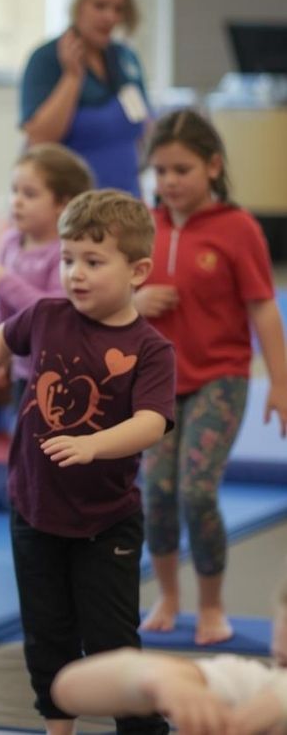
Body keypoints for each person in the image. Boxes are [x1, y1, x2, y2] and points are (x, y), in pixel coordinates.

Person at [0, 190, 176, 735]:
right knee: (47, 632)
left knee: (111, 638)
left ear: (138, 270)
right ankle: (58, 728)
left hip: (106, 520)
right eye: (68, 259)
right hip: (34, 510)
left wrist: (93, 444)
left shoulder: (149, 349)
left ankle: (142, 728)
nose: (75, 273)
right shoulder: (47, 314)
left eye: (94, 262)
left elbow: (151, 422)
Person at [136, 109, 287, 645]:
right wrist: (136, 299)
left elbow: (264, 308)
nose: (170, 182)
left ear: (213, 165)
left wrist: (282, 385)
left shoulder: (237, 227)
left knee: (197, 491)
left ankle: (213, 605)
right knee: (156, 490)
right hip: (157, 383)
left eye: (182, 169)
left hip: (221, 377)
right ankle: (169, 597)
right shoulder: (143, 227)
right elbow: (106, 295)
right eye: (161, 171)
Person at [52, 569, 287, 735]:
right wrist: (158, 678)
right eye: (283, 662)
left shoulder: (276, 694)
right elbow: (68, 688)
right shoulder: (256, 686)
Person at [0, 143, 93, 415]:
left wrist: (6, 282)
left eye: (30, 194)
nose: (17, 201)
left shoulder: (66, 251)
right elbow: (2, 308)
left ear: (63, 204)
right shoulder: (10, 242)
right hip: (23, 368)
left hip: (62, 371)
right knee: (22, 443)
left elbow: (55, 313)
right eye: (15, 191)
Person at [20, 0, 149, 196]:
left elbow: (141, 127)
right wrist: (72, 77)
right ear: (77, 6)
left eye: (118, 9)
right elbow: (39, 140)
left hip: (127, 199)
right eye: (100, 6)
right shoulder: (46, 59)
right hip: (73, 207)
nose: (110, 17)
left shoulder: (125, 59)